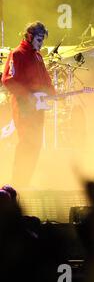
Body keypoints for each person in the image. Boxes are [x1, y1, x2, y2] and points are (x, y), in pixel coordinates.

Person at [2, 21, 55, 188]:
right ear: (30, 36)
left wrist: (51, 93)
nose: (41, 44)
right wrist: (28, 97)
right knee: (26, 143)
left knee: (36, 145)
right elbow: (8, 80)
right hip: (24, 107)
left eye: (43, 40)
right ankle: (17, 184)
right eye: (39, 39)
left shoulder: (38, 56)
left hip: (37, 109)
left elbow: (46, 79)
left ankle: (24, 183)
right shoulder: (17, 54)